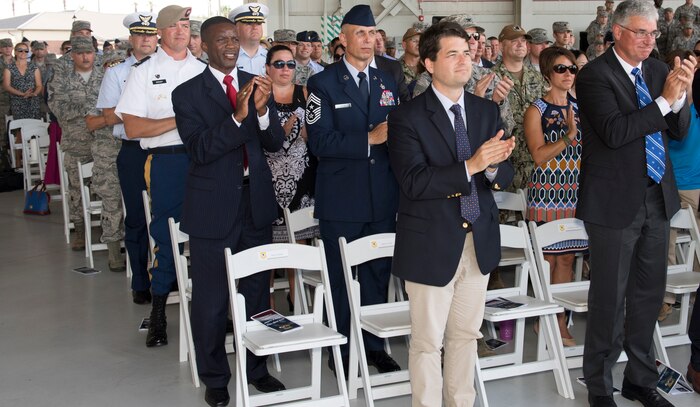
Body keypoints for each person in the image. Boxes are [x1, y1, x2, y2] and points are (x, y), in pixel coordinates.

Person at [387, 20, 515, 407]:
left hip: (478, 240)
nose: (464, 60)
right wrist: (473, 166)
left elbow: (505, 170)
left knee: (466, 335)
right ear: (428, 63)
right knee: (427, 342)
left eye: (467, 51)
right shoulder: (406, 118)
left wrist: (492, 168)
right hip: (431, 243)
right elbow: (414, 182)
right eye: (452, 54)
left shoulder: (486, 111)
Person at [575, 1, 695, 406]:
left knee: (648, 294)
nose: (650, 40)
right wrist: (664, 101)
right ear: (618, 31)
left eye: (654, 33)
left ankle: (640, 379)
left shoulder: (659, 70)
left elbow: (676, 132)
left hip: (657, 197)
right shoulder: (594, 75)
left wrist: (682, 96)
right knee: (609, 297)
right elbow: (614, 131)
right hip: (613, 203)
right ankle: (598, 384)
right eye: (642, 32)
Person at [171, 16, 286, 406]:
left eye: (235, 38)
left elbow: (272, 143)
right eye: (222, 39)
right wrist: (238, 116)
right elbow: (201, 150)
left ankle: (257, 370)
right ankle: (216, 378)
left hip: (255, 203)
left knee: (257, 294)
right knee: (212, 299)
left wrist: (265, 111)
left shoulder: (256, 82)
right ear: (202, 46)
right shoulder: (187, 94)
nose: (231, 45)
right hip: (212, 210)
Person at [305, 4, 401, 377]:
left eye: (372, 33)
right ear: (342, 40)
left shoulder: (387, 80)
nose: (368, 40)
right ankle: (342, 348)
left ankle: (374, 346)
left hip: (382, 197)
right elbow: (319, 142)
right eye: (359, 33)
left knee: (379, 274)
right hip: (342, 201)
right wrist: (369, 139)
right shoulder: (322, 84)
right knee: (342, 279)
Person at [115, 4, 206, 348]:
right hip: (166, 161)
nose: (181, 31)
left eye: (185, 25)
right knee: (167, 236)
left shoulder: (204, 70)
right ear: (160, 33)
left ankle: (211, 310)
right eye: (173, 26)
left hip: (204, 160)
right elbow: (134, 126)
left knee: (208, 234)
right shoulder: (144, 72)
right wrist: (181, 120)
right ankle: (158, 312)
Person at [94, 11, 159, 300]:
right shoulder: (117, 72)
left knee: (171, 215)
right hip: (133, 151)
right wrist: (144, 115)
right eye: (140, 34)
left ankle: (166, 276)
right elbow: (109, 115)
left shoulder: (171, 68)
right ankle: (141, 284)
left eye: (150, 34)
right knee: (136, 217)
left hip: (166, 149)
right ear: (131, 39)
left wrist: (135, 112)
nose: (146, 39)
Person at [523, 46, 585, 347]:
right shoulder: (537, 110)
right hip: (546, 193)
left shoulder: (581, 107)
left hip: (574, 192)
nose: (568, 74)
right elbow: (538, 155)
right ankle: (548, 319)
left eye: (572, 69)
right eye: (561, 69)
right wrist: (568, 136)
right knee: (548, 259)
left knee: (568, 258)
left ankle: (560, 316)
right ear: (547, 73)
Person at [47, 36, 103, 251]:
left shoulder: (104, 74)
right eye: (80, 53)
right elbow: (58, 107)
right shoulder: (62, 78)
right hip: (75, 141)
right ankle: (80, 229)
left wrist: (93, 113)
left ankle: (110, 228)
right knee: (77, 188)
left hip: (103, 140)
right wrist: (91, 111)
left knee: (106, 186)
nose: (85, 57)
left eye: (88, 52)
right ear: (72, 56)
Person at [264, 45, 318, 244]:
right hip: (268, 176)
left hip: (301, 174)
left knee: (299, 239)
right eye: (279, 64)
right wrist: (280, 132)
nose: (285, 69)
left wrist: (307, 133)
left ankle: (297, 277)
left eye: (290, 64)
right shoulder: (259, 95)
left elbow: (317, 133)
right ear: (267, 68)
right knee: (268, 245)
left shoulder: (305, 93)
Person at [492, 25, 547, 192]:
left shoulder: (539, 78)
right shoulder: (490, 78)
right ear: (501, 46)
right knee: (505, 216)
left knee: (535, 216)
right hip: (505, 163)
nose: (520, 44)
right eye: (514, 41)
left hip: (536, 163)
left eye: (523, 41)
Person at [3, 42, 42, 121]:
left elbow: (39, 85)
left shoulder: (34, 67)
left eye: (26, 51)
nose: (23, 52)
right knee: (19, 128)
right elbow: (6, 86)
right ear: (15, 52)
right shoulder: (9, 68)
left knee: (34, 128)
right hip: (17, 102)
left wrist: (34, 93)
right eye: (20, 50)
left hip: (33, 102)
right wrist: (22, 94)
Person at [229, 2, 268, 76]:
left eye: (259, 23)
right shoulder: (228, 56)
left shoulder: (270, 56)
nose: (255, 27)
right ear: (236, 28)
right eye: (249, 23)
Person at [399, 26, 424, 99]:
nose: (419, 44)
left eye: (421, 41)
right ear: (404, 45)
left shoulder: (429, 67)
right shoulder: (395, 68)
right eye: (415, 41)